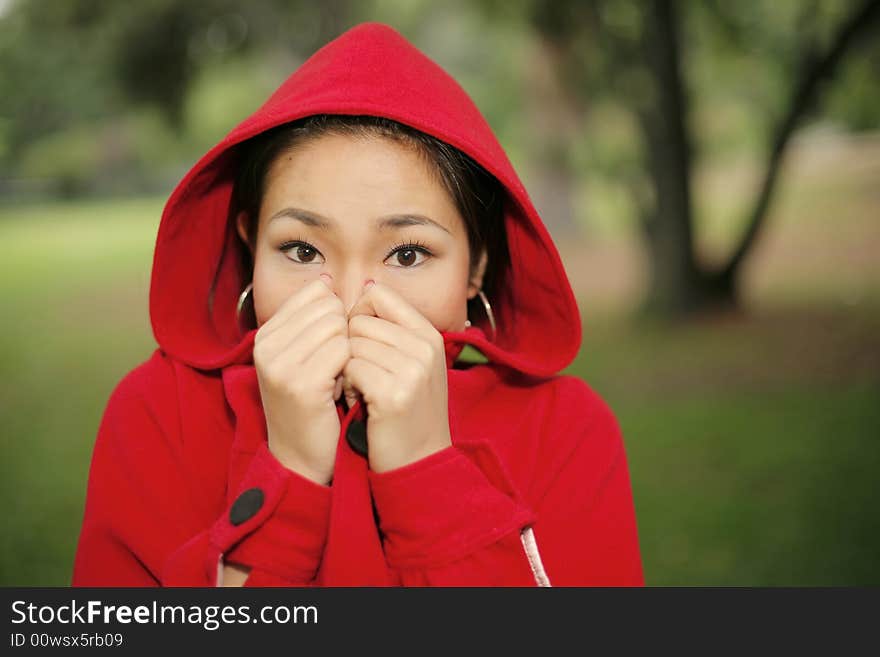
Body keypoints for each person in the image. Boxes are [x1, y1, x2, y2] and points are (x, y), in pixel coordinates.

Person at [72, 22, 643, 586]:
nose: (348, 303)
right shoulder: (158, 413)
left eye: (408, 254)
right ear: (250, 247)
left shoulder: (566, 432)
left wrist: (426, 472)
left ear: (477, 267)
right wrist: (290, 478)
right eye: (300, 249)